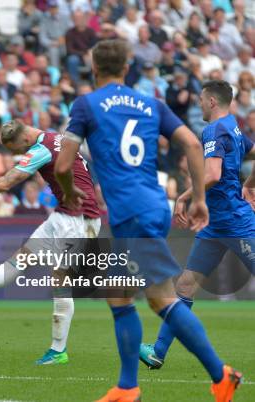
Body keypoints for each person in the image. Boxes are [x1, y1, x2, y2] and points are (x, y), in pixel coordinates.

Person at [53, 39, 240, 402]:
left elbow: (63, 165)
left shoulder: (86, 104)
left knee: (160, 299)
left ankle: (221, 374)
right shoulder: (151, 104)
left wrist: (69, 189)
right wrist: (199, 197)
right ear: (127, 68)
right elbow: (190, 143)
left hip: (132, 212)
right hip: (150, 204)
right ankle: (127, 387)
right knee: (120, 295)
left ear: (93, 70)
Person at [0, 119, 101, 365]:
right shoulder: (55, 137)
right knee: (19, 261)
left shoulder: (40, 149)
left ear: (24, 139)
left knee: (60, 281)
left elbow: (5, 183)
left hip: (80, 220)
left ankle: (58, 350)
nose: (21, 154)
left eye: (18, 149)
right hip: (64, 215)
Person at [140, 80, 255, 369]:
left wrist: (186, 194)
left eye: (201, 100)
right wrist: (250, 184)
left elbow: (213, 174)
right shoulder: (234, 126)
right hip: (215, 225)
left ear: (212, 102)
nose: (199, 105)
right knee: (186, 284)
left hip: (235, 221)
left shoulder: (215, 129)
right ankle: (158, 352)